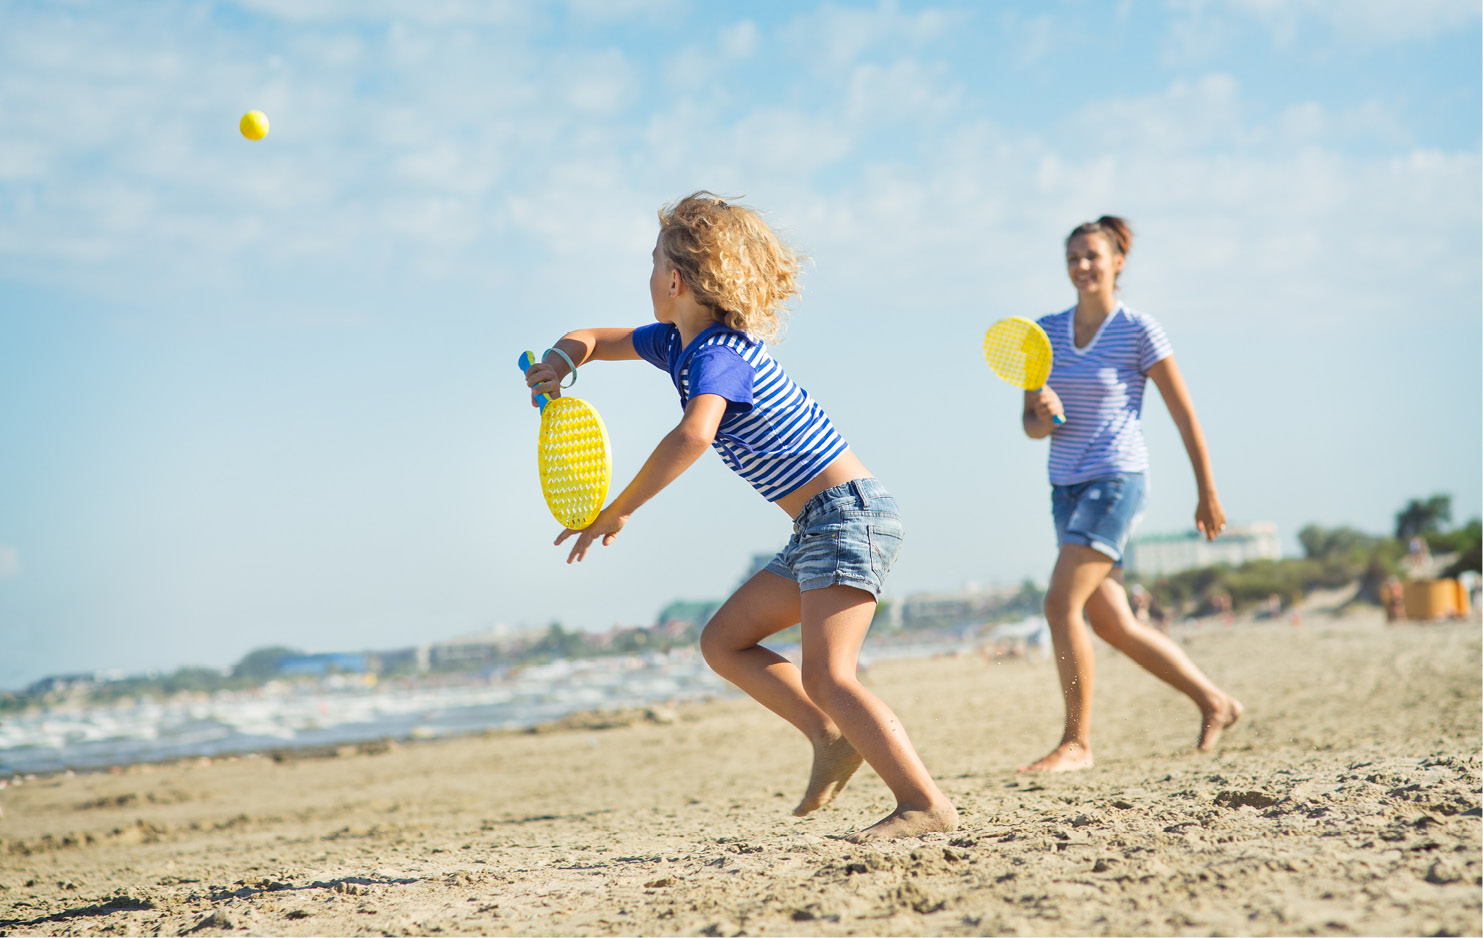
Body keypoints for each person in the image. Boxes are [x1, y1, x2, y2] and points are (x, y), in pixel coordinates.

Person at [521, 192, 957, 841]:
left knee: (829, 673)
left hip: (848, 517)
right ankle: (829, 736)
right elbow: (589, 337)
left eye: (651, 264)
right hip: (817, 526)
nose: (646, 277)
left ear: (673, 280)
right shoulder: (675, 344)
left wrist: (619, 510)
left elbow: (693, 435)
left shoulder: (716, 353)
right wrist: (560, 361)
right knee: (722, 641)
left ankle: (924, 804)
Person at [1017, 215, 1244, 773]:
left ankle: (1077, 743)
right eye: (1073, 257)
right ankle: (1216, 702)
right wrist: (1041, 415)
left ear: (1118, 261)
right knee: (1114, 622)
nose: (1082, 266)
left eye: (1092, 255)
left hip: (1116, 480)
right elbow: (1029, 424)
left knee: (1058, 603)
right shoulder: (1041, 332)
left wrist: (1206, 491)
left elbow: (1183, 413)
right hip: (1064, 487)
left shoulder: (1140, 330)